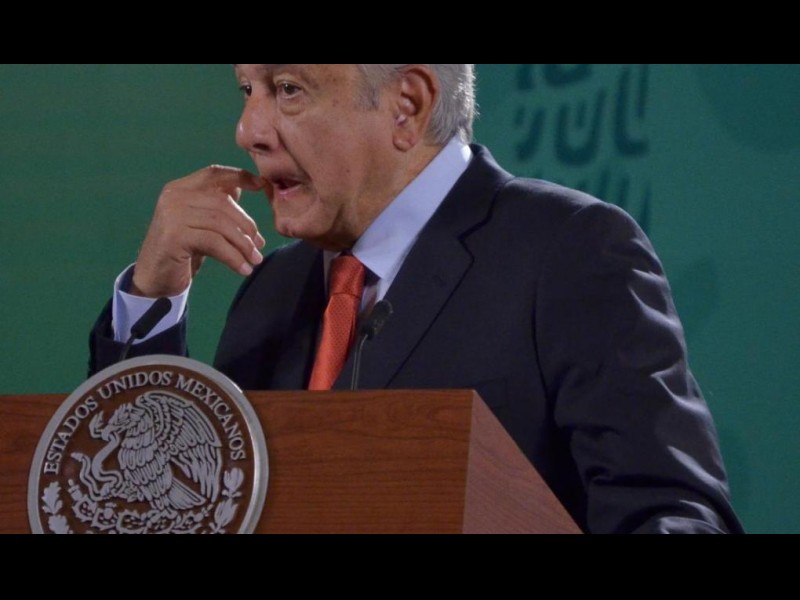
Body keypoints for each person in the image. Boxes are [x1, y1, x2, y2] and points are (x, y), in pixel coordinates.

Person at [89, 64, 744, 534]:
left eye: (288, 89)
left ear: (407, 105)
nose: (248, 130)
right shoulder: (270, 291)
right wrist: (153, 297)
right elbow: (146, 507)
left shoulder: (568, 251)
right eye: (247, 90)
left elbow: (672, 513)